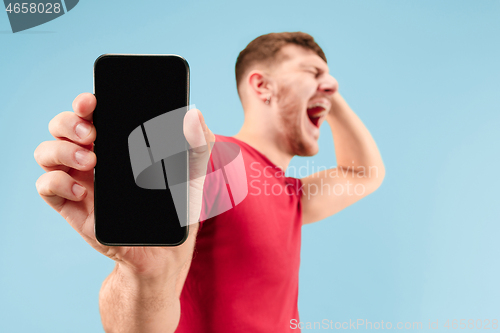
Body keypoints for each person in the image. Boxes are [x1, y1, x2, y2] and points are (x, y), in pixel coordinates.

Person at [34, 32, 385, 332]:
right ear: (262, 86)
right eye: (311, 71)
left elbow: (363, 174)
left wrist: (327, 93)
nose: (330, 84)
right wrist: (144, 276)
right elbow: (133, 325)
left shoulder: (289, 193)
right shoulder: (214, 160)